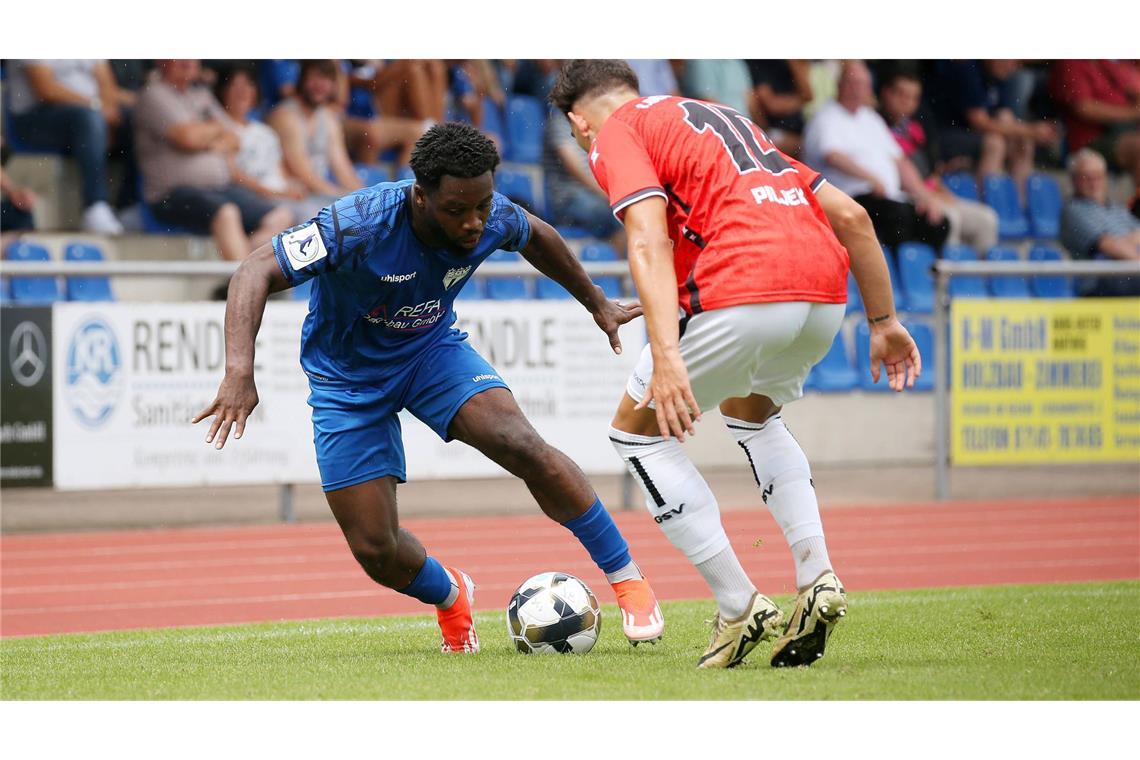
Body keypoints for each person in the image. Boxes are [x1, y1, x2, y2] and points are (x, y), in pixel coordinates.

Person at [191, 122, 664, 654]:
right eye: (457, 209)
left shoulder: (491, 213)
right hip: (347, 380)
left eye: (482, 205)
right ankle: (451, 593)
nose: (474, 222)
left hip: (430, 353)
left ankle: (628, 579)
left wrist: (596, 303)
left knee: (521, 443)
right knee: (375, 548)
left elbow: (539, 237)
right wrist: (238, 371)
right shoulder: (356, 224)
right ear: (421, 195)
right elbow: (253, 269)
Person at [550, 60, 921, 669]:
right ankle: (817, 576)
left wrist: (666, 355)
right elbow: (853, 218)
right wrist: (884, 322)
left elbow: (647, 238)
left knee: (637, 437)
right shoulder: (722, 118)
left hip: (745, 289)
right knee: (754, 419)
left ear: (578, 120)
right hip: (823, 296)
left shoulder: (616, 131)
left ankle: (737, 604)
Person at [134, 60, 293, 261]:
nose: (188, 61)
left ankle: (239, 277)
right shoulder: (154, 94)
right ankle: (240, 281)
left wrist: (203, 136)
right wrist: (213, 131)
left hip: (220, 188)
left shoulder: (202, 94)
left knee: (281, 216)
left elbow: (234, 138)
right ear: (161, 61)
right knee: (226, 212)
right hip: (171, 193)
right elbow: (188, 138)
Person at [803, 61, 950, 251]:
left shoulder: (871, 119)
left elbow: (900, 162)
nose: (858, 89)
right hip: (851, 199)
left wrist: (925, 196)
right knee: (899, 217)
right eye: (853, 83)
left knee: (938, 223)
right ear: (840, 84)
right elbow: (832, 155)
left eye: (863, 84)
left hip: (889, 198)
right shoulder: (825, 117)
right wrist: (870, 178)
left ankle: (923, 277)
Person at [877, 68, 999, 251]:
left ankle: (981, 278)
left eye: (913, 97)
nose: (906, 102)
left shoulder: (917, 130)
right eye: (901, 94)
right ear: (886, 93)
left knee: (987, 219)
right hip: (907, 198)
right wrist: (927, 197)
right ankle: (950, 277)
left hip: (934, 195)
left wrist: (946, 195)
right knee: (951, 219)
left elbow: (932, 174)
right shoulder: (874, 128)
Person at [6, 59, 129, 233]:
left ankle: (129, 208)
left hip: (88, 113)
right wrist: (97, 107)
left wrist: (107, 110)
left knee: (132, 120)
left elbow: (105, 79)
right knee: (89, 119)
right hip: (35, 119)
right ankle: (95, 205)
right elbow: (46, 89)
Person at [214, 66, 330, 222]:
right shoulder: (219, 128)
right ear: (223, 91)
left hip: (280, 195)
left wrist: (292, 186)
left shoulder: (265, 132)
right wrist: (273, 192)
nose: (242, 92)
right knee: (313, 219)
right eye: (235, 85)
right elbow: (234, 176)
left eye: (248, 85)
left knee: (328, 210)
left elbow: (279, 171)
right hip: (254, 198)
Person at [928, 60, 1060, 187]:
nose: (1012, 67)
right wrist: (1031, 130)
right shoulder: (968, 69)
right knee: (995, 144)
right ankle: (987, 200)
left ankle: (1019, 200)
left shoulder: (998, 76)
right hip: (943, 135)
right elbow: (978, 122)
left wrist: (1028, 132)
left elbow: (1004, 117)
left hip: (971, 135)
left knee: (1022, 138)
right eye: (1010, 60)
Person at [1049, 60, 1140, 208]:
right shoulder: (1071, 63)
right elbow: (1083, 108)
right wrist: (1132, 113)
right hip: (1089, 141)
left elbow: (1132, 85)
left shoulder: (1104, 62)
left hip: (1122, 133)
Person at [1060, 148, 1140, 296]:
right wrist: (1130, 245)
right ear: (1073, 179)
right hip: (1100, 283)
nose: (1094, 183)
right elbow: (1109, 246)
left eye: (1098, 176)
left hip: (1129, 275)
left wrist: (1123, 244)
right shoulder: (1073, 210)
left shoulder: (1117, 209)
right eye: (1087, 177)